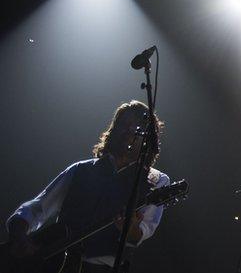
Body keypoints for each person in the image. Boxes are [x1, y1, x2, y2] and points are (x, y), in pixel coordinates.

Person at [4, 100, 170, 273]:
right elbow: (37, 208)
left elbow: (140, 235)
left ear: (148, 139)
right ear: (113, 130)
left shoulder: (156, 181)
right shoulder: (81, 169)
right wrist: (19, 235)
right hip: (55, 265)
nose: (127, 132)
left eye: (135, 129)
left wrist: (131, 227)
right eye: (122, 125)